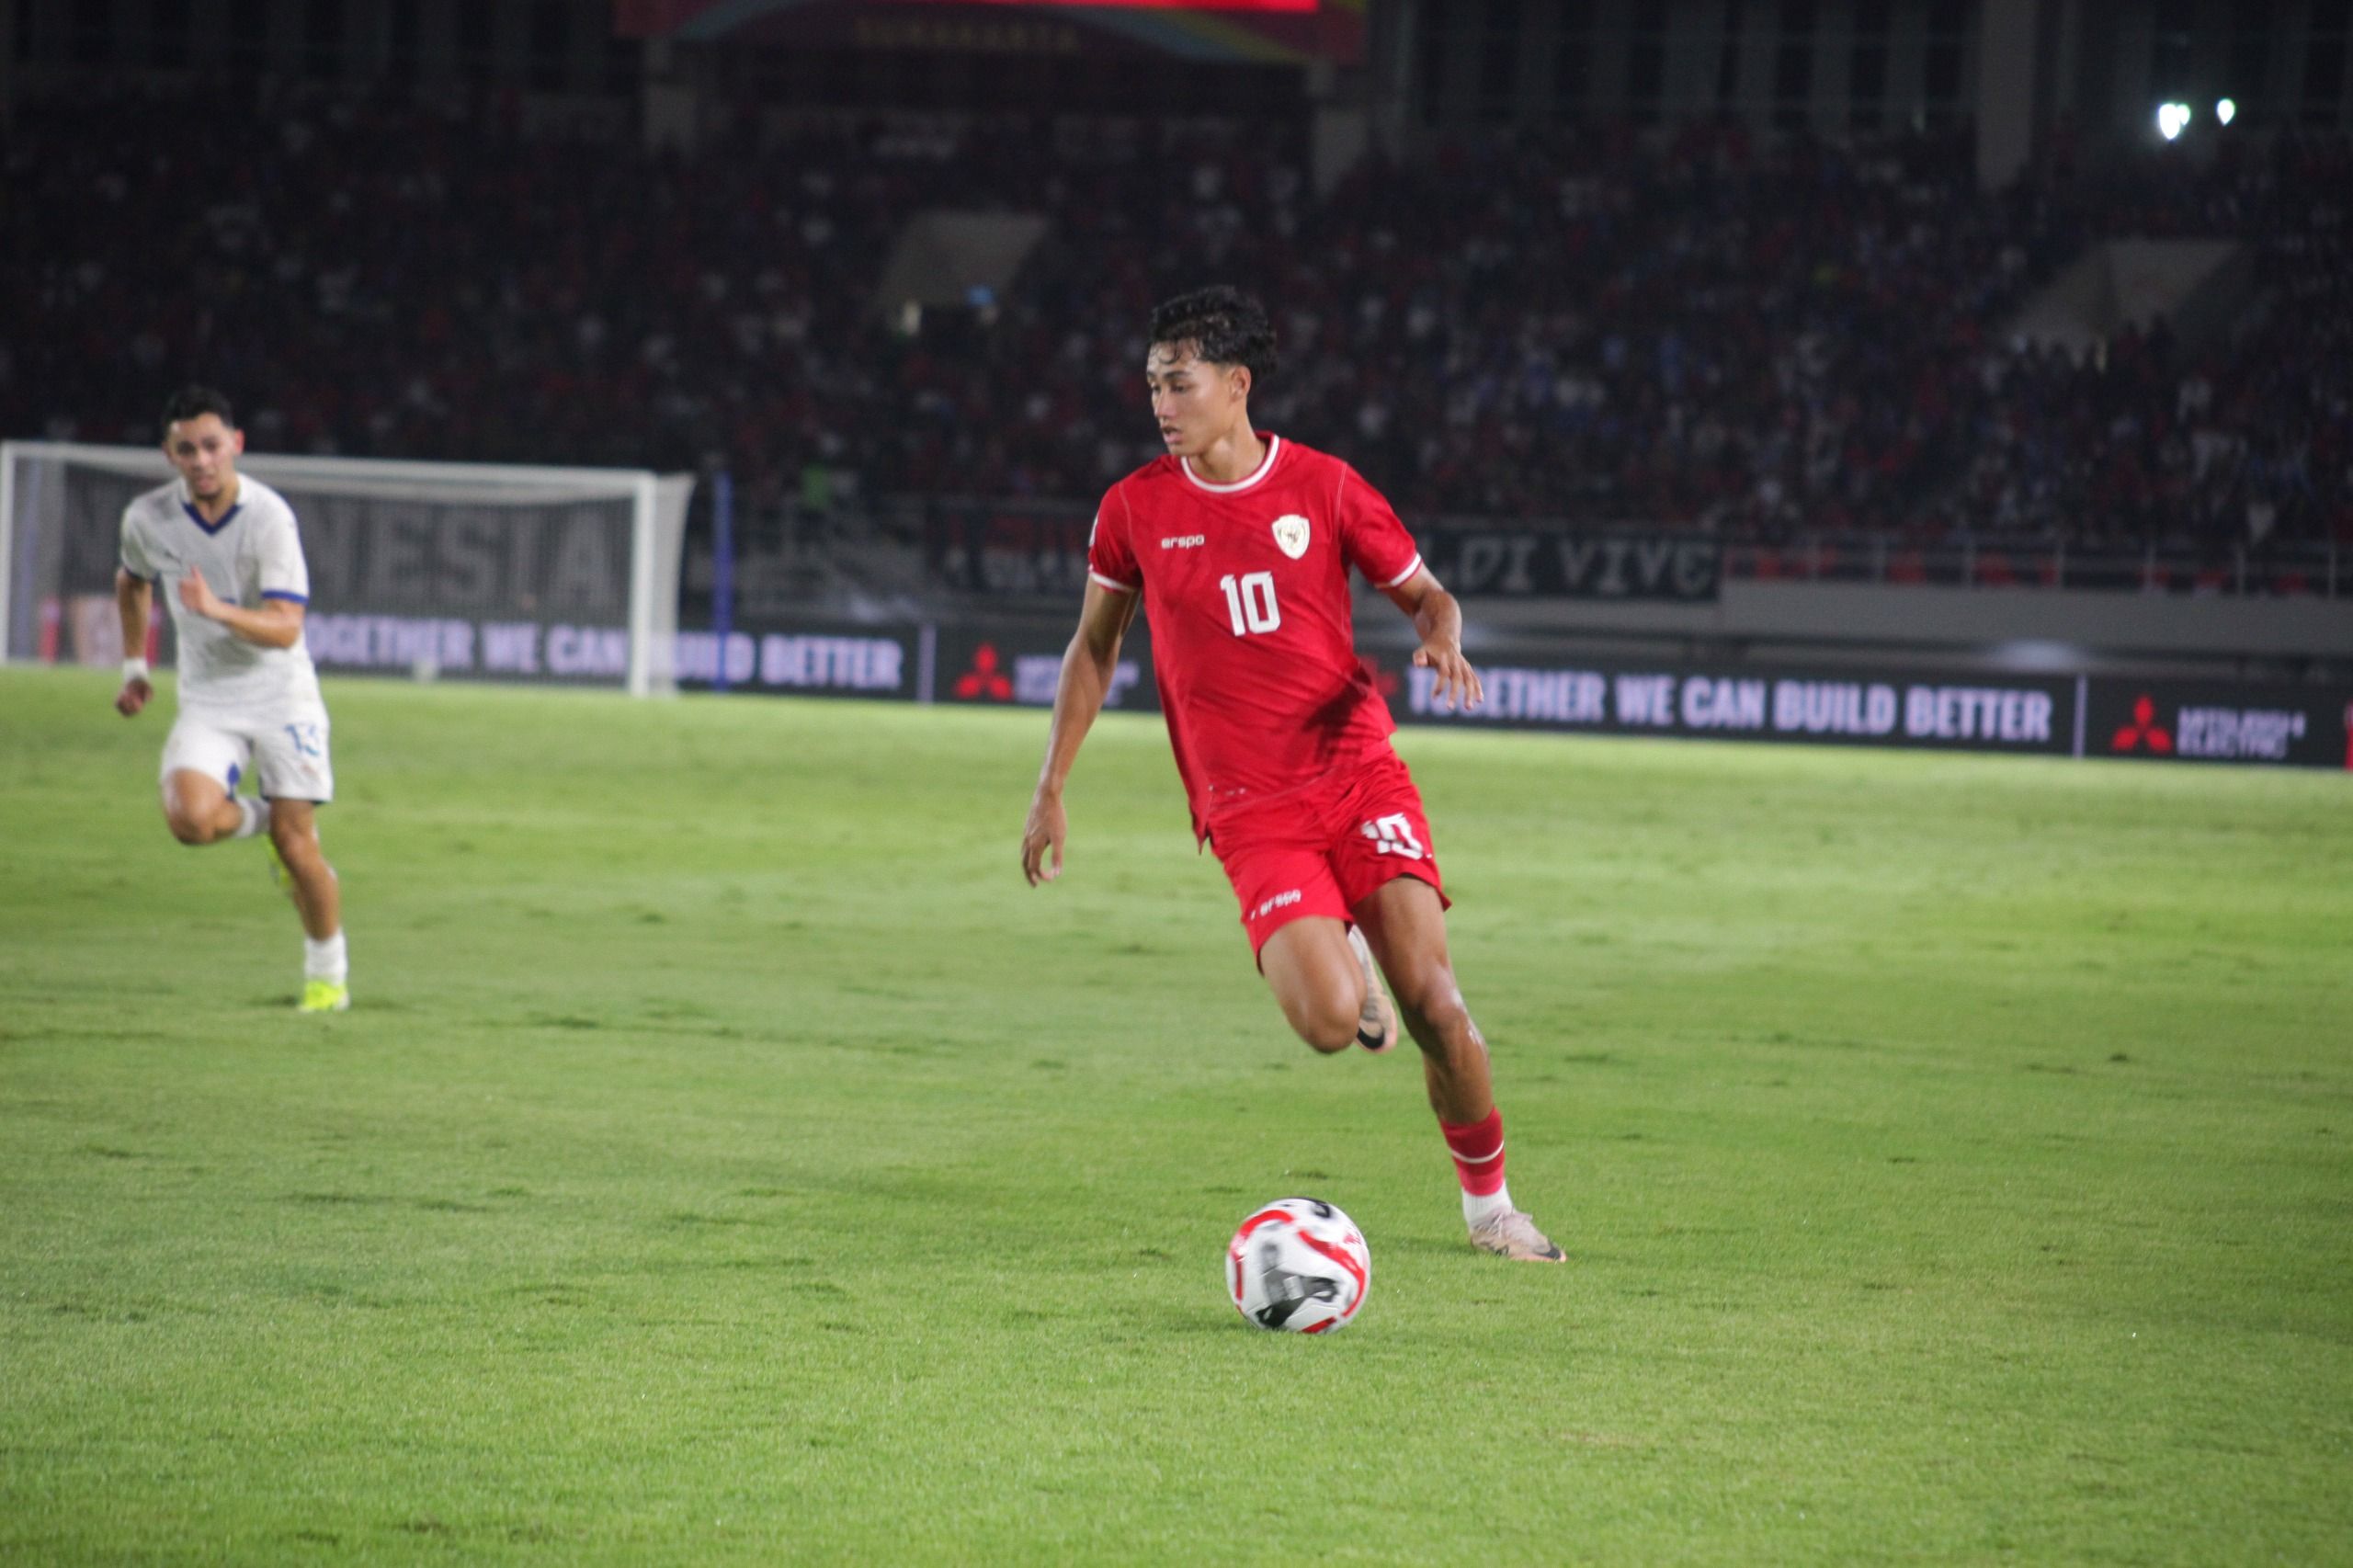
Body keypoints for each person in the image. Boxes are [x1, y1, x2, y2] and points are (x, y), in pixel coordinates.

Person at [1020, 288, 1562, 1262]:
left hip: (1355, 771)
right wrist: (1051, 782)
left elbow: (1428, 596)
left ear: (1237, 386)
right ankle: (1342, 954)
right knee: (1323, 1024)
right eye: (1150, 384)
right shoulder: (1133, 508)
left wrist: (1442, 639)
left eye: (1177, 382)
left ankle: (1494, 1211)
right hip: (1248, 807)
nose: (1159, 402)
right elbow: (1093, 648)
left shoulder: (1325, 486)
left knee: (1434, 1002)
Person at [114, 386, 350, 1013]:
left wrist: (216, 609)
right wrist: (136, 665)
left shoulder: (270, 517)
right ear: (169, 455)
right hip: (211, 699)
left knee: (302, 852)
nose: (201, 460)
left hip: (282, 697)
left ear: (236, 445)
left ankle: (328, 978)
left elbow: (286, 629)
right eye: (186, 449)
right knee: (189, 821)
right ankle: (267, 819)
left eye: (212, 445)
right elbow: (131, 581)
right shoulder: (148, 519)